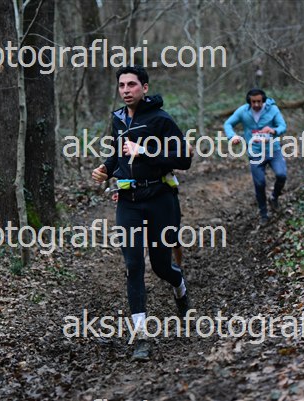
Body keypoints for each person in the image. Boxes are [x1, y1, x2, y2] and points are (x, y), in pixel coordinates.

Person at [92, 65, 192, 361]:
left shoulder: (161, 120)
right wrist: (106, 168)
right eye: (122, 85)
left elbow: (184, 159)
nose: (126, 90)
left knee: (161, 267)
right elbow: (117, 153)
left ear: (144, 88)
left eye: (132, 85)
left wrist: (146, 151)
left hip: (160, 199)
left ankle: (179, 286)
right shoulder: (118, 119)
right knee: (133, 265)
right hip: (128, 201)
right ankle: (141, 336)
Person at [223, 88, 287, 225]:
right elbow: (228, 124)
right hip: (255, 152)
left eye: (259, 101)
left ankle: (274, 197)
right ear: (249, 101)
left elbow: (283, 126)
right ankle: (263, 214)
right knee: (259, 183)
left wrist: (273, 130)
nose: (256, 104)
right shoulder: (243, 111)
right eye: (253, 102)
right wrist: (232, 136)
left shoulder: (273, 110)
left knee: (281, 175)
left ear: (263, 100)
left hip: (273, 150)